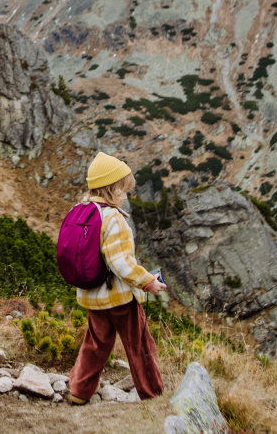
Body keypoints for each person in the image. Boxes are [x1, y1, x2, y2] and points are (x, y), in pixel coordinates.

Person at [67, 152, 167, 403]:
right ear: (110, 190)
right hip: (120, 298)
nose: (125, 196)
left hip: (92, 295)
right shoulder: (113, 218)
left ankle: (78, 391)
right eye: (122, 191)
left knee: (95, 345)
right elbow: (121, 263)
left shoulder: (80, 211)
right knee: (140, 345)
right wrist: (147, 281)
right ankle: (153, 395)